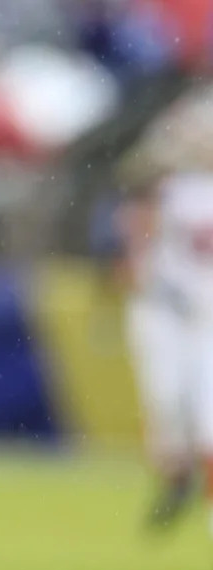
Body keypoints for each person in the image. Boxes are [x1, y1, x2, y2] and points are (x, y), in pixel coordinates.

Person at [114, 84, 213, 535]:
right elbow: (134, 183)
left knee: (207, 414)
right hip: (168, 307)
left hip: (205, 315)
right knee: (167, 403)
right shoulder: (169, 186)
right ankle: (177, 478)